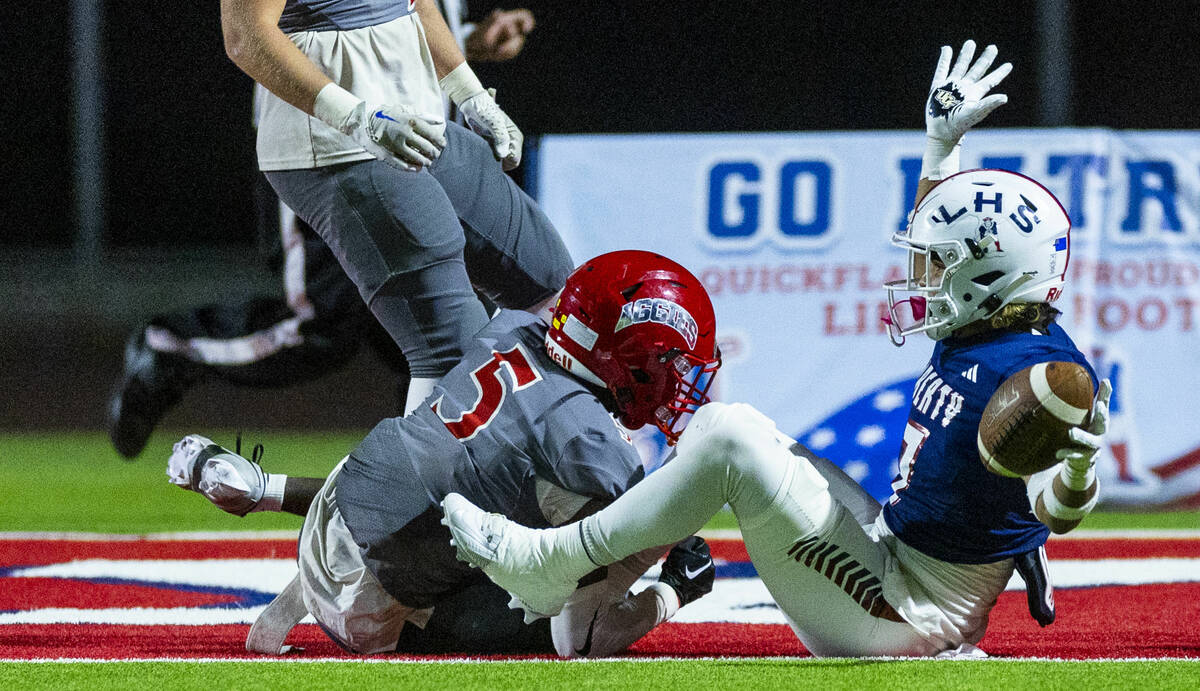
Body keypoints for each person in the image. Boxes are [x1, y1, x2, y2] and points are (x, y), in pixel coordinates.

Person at [439, 40, 1113, 658]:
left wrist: (1077, 475)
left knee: (731, 438)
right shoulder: (991, 325)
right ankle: (578, 594)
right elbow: (939, 226)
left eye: (938, 265)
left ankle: (551, 561)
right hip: (899, 557)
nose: (921, 277)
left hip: (908, 615)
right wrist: (942, 146)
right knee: (727, 429)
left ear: (991, 279)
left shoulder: (1037, 376)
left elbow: (1053, 502)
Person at [166, 250, 723, 656]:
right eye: (671, 366)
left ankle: (265, 489)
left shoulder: (509, 331)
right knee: (578, 582)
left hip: (339, 503)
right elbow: (587, 608)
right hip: (372, 606)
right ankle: (669, 589)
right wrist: (670, 587)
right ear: (629, 358)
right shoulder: (594, 448)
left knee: (445, 462)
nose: (678, 384)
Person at [108, 4, 548, 459]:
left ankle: (448, 486)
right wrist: (359, 118)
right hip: (328, 146)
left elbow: (403, 11)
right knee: (325, 324)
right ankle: (170, 348)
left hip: (422, 139)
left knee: (441, 333)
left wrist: (469, 53)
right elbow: (250, 35)